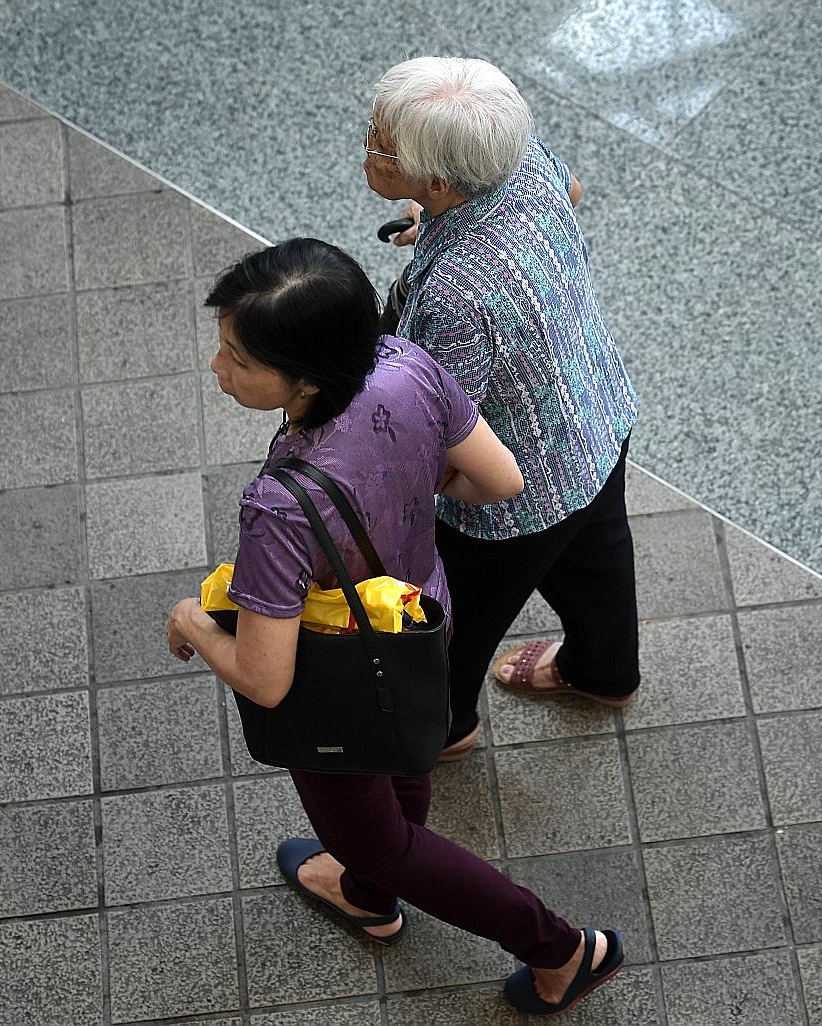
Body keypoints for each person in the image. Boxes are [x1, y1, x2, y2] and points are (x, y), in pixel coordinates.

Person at [164, 238, 623, 1016]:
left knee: (380, 838)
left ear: (305, 377)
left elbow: (268, 678)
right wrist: (409, 484)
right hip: (419, 624)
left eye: (239, 359)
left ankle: (560, 948)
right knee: (407, 754)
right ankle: (368, 895)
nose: (218, 369)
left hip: (339, 676)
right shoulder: (406, 365)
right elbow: (501, 478)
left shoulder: (280, 509)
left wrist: (191, 623)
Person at [364, 57, 641, 761]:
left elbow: (442, 424)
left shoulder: (457, 293)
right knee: (597, 557)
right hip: (596, 413)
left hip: (513, 493)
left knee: (456, 616)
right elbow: (570, 189)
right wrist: (435, 223)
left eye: (379, 142)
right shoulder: (517, 161)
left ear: (437, 180)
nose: (367, 147)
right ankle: (604, 672)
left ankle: (446, 727)